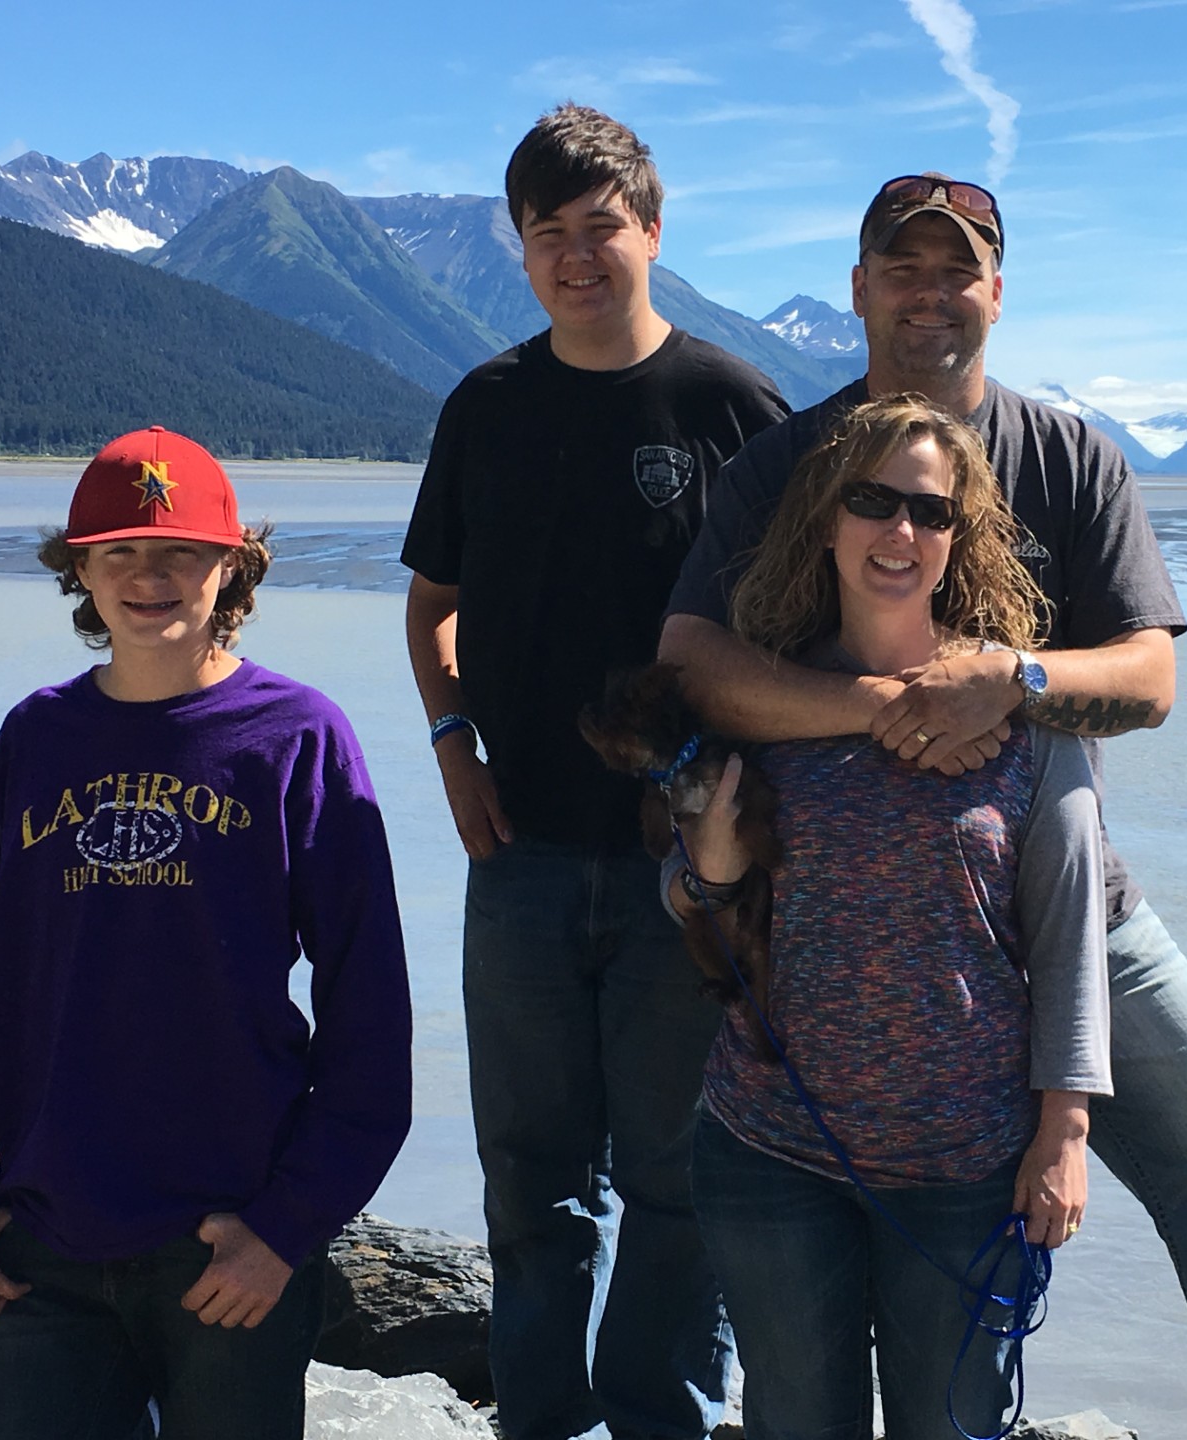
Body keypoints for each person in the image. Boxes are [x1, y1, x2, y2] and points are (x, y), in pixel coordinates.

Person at [659, 176, 1187, 1440]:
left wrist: (1015, 680)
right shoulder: (786, 466)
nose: (930, 293)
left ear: (996, 293)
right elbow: (691, 664)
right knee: (768, 1187)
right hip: (839, 916)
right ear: (858, 289)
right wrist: (891, 706)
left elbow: (1151, 678)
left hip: (1063, 905)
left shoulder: (1070, 456)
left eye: (958, 269)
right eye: (902, 268)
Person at [0, 424, 413, 1440]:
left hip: (229, 1245)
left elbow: (370, 1010)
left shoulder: (297, 738)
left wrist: (287, 1227)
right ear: (80, 569)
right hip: (42, 1240)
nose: (149, 576)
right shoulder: (36, 739)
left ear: (232, 565)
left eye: (180, 550)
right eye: (120, 551)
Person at [399, 104, 789, 1439]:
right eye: (547, 233)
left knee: (681, 1176)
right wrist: (453, 746)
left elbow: (801, 622)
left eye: (601, 227)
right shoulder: (487, 407)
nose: (575, 257)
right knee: (531, 1178)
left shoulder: (732, 405)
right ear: (519, 249)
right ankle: (543, 1422)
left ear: (654, 232)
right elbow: (431, 605)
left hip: (688, 867)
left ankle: (663, 1417)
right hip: (518, 853)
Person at [667, 394, 1110, 1440]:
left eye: (931, 510)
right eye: (871, 501)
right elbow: (686, 902)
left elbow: (1070, 933)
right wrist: (709, 872)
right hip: (773, 1152)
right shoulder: (756, 698)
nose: (900, 530)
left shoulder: (1023, 719)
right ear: (826, 518)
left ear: (960, 538)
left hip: (966, 1167)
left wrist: (1065, 1130)